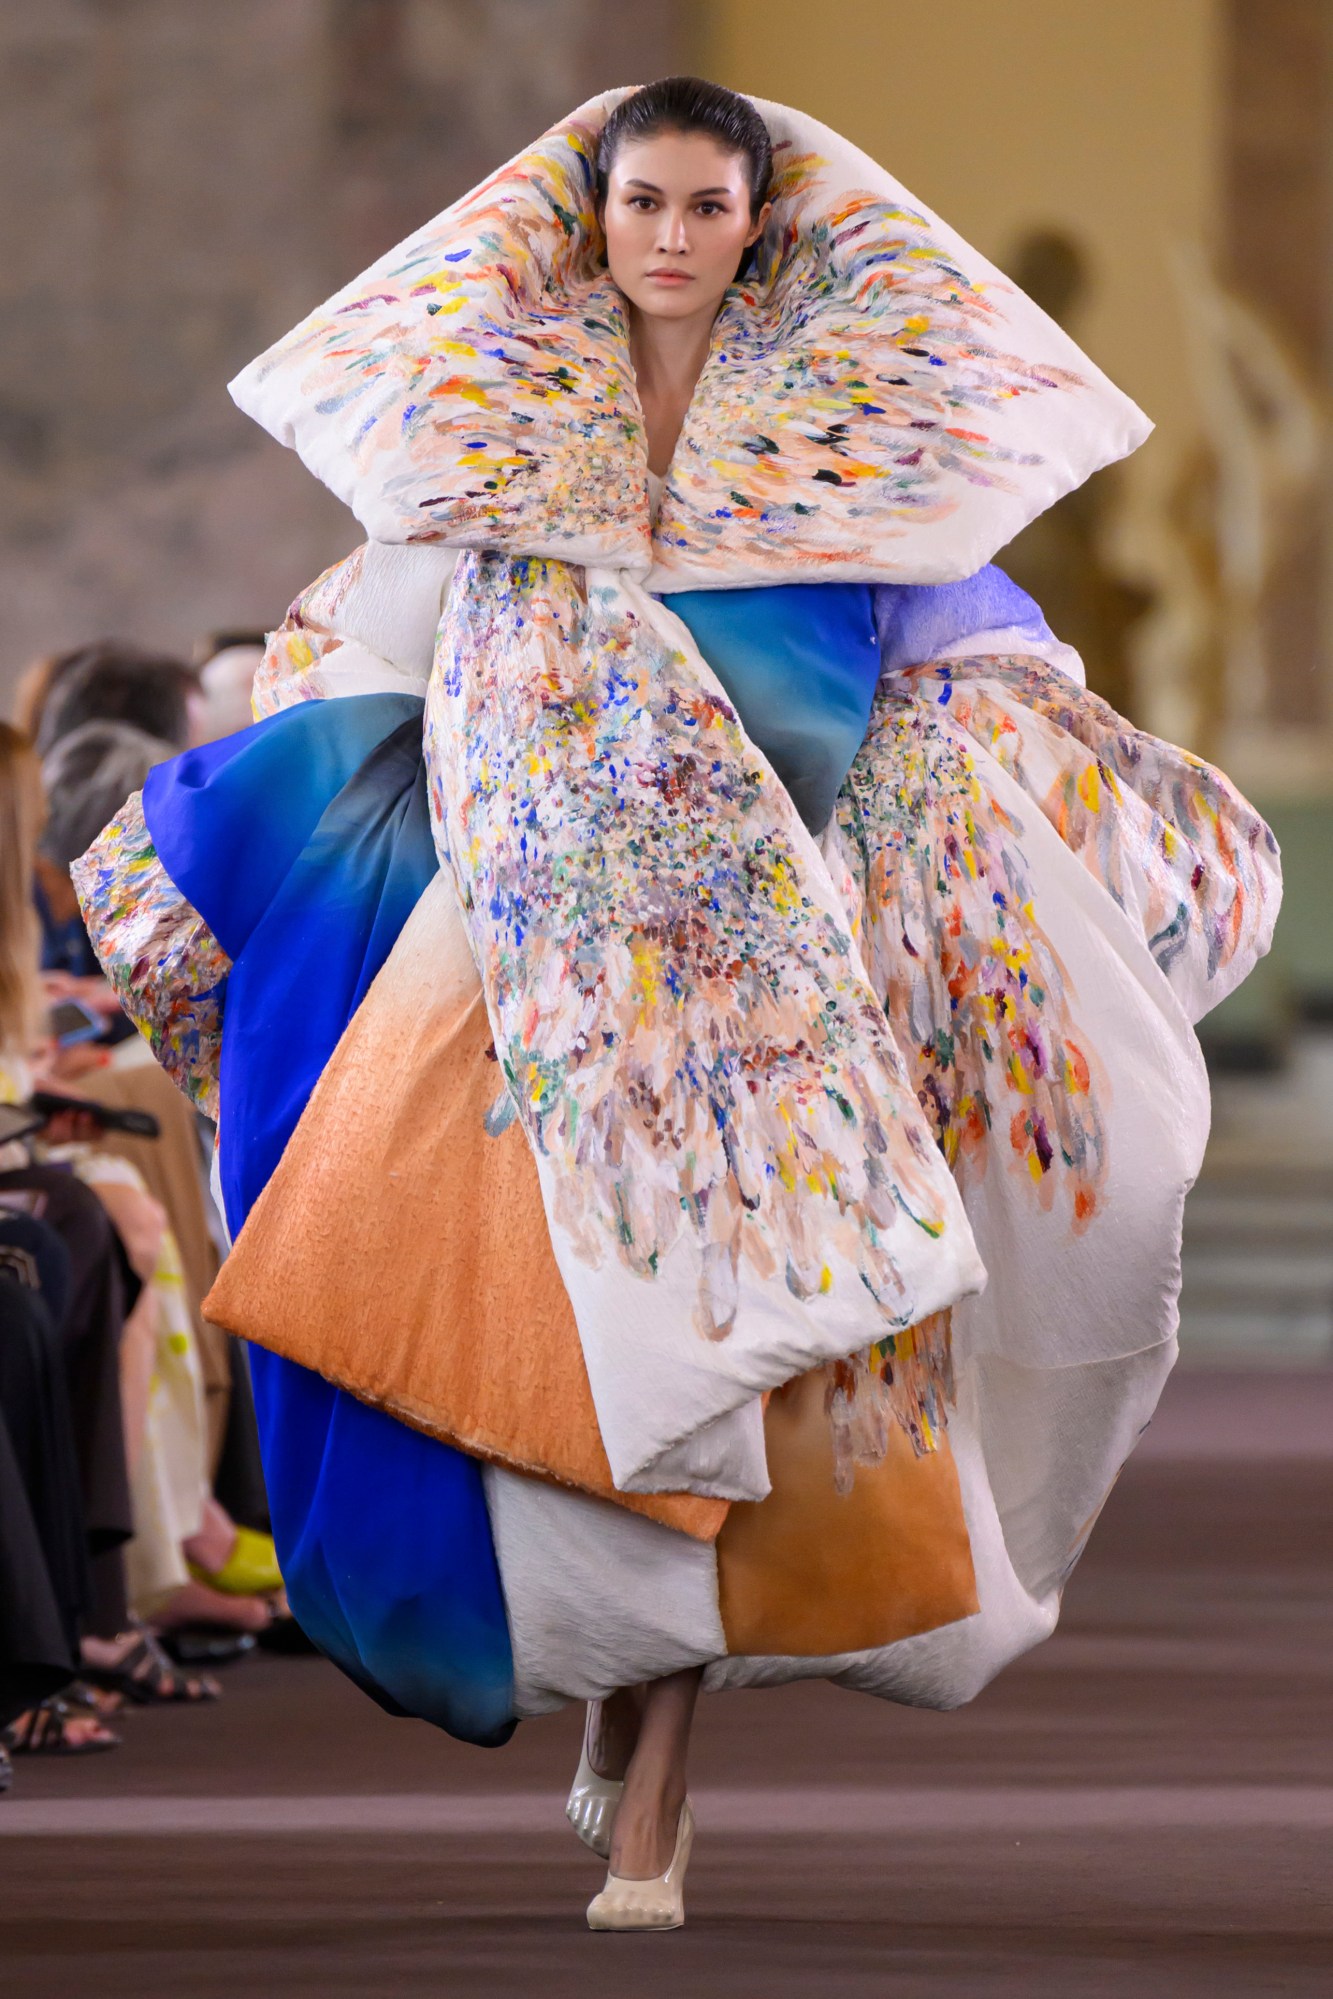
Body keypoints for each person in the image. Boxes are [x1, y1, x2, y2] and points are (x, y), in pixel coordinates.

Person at [75, 80, 1281, 1930]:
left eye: (705, 206)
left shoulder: (860, 446)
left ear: (755, 220)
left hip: (781, 975)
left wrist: (990, 778)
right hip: (525, 966)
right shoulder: (490, 435)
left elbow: (988, 648)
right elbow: (352, 635)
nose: (667, 236)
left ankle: (657, 1784)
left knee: (751, 1375)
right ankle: (623, 1718)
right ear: (595, 212)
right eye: (640, 200)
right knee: (579, 1361)